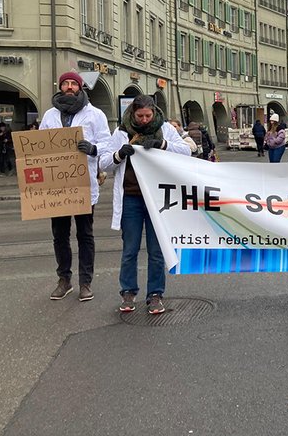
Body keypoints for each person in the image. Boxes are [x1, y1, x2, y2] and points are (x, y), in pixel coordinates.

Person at [100, 95, 191, 314]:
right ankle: (128, 292)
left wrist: (163, 144)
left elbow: (187, 151)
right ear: (133, 113)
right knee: (130, 249)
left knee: (156, 250)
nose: (143, 120)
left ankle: (155, 294)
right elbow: (104, 162)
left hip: (157, 198)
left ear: (154, 112)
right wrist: (119, 154)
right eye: (139, 116)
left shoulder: (165, 129)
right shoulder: (121, 132)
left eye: (147, 116)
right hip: (130, 198)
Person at [39, 71, 111, 302]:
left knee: (85, 234)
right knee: (59, 235)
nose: (69, 87)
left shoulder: (95, 114)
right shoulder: (50, 114)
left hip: (83, 183)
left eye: (73, 83)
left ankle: (85, 282)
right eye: (65, 83)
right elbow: (40, 145)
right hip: (57, 185)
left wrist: (93, 149)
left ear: (80, 87)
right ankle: (64, 280)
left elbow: (108, 143)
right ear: (60, 87)